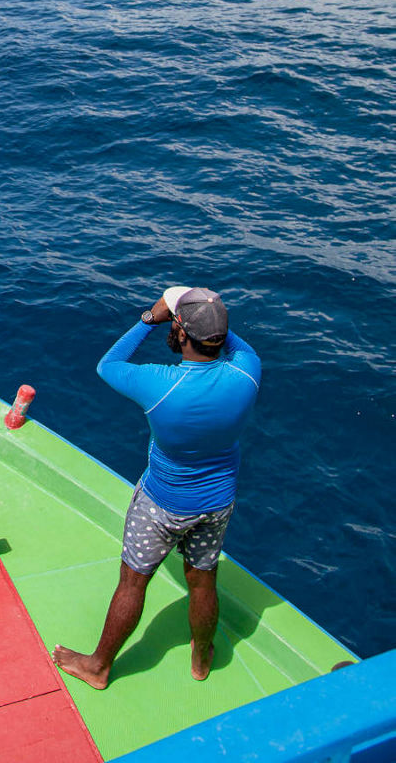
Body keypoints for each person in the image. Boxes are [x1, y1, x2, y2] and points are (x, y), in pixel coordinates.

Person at [53, 286, 261, 688]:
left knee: (133, 580)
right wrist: (207, 313)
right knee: (203, 579)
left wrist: (151, 317)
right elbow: (225, 337)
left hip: (162, 503)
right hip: (217, 503)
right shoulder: (248, 370)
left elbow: (108, 364)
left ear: (181, 332)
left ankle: (98, 667)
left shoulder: (158, 383)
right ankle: (202, 657)